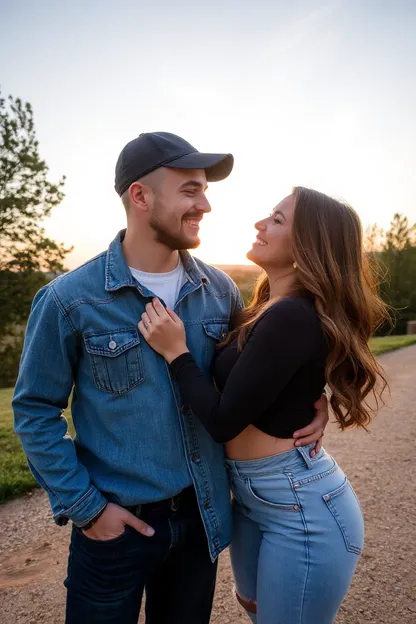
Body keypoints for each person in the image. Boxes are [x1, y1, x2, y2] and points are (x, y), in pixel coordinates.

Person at [13, 133, 328, 624]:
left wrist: (314, 397)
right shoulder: (67, 301)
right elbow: (34, 410)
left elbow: (268, 362)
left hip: (203, 520)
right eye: (189, 190)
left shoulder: (220, 291)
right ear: (140, 197)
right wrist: (88, 509)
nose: (204, 204)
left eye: (204, 190)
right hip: (116, 525)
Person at [138, 186, 389, 624]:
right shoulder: (264, 308)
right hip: (253, 499)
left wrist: (175, 352)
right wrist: (317, 398)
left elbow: (222, 421)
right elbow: (275, 375)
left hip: (301, 506)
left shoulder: (291, 315)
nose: (260, 223)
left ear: (309, 243)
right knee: (257, 610)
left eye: (277, 219)